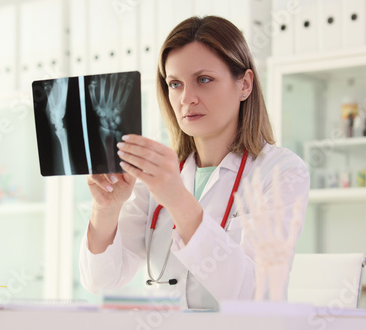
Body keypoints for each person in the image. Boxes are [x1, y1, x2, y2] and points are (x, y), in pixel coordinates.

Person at [79, 15, 310, 310]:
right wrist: (106, 209)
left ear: (245, 85)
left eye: (204, 80)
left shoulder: (280, 172)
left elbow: (259, 297)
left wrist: (178, 200)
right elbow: (100, 281)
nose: (187, 98)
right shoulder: (159, 173)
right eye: (175, 84)